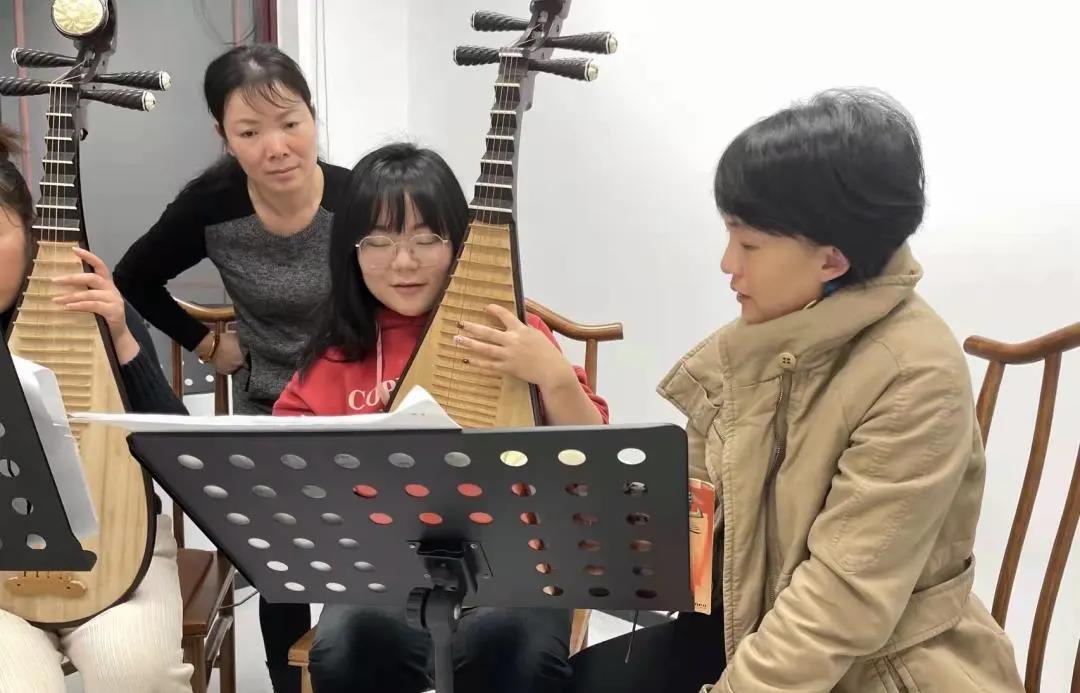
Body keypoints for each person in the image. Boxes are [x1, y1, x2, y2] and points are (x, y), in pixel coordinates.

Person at [652, 90, 1023, 691]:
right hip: (751, 630)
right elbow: (698, 512)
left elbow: (838, 603)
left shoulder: (916, 375)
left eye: (748, 244)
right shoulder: (758, 340)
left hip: (874, 669)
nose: (727, 263)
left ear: (832, 261)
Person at [273, 142, 608, 693]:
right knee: (349, 645)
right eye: (378, 241)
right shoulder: (336, 356)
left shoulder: (512, 333)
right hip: (386, 569)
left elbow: (593, 461)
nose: (403, 262)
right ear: (350, 251)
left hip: (518, 563)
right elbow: (284, 462)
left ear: (460, 242)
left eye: (426, 239)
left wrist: (554, 377)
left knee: (510, 648)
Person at [112, 44, 350, 692]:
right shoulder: (211, 207)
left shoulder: (357, 197)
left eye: (291, 123)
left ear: (312, 116)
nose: (277, 147)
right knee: (280, 566)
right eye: (250, 132)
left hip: (357, 400)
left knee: (365, 557)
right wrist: (204, 343)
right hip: (269, 403)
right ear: (225, 135)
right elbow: (134, 277)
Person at [0, 126, 192, 691]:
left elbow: (179, 452)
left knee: (138, 674)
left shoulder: (95, 307)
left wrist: (122, 336)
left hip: (122, 544)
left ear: (32, 232)